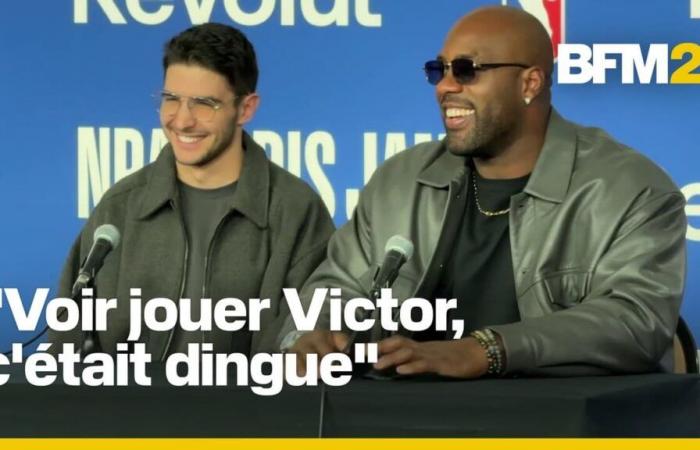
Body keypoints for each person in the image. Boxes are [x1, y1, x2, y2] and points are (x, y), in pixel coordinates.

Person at [281, 6, 687, 378]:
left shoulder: (631, 188)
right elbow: (335, 287)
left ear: (530, 82)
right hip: (403, 421)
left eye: (466, 70)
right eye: (437, 70)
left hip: (555, 424)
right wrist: (316, 332)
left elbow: (637, 322)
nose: (445, 87)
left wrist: (486, 350)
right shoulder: (400, 181)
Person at [50, 23, 335, 358]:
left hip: (251, 410)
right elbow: (65, 350)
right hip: (129, 410)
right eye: (171, 99)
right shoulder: (120, 207)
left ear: (246, 108)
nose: (182, 120)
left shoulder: (296, 211)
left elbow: (309, 343)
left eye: (204, 103)